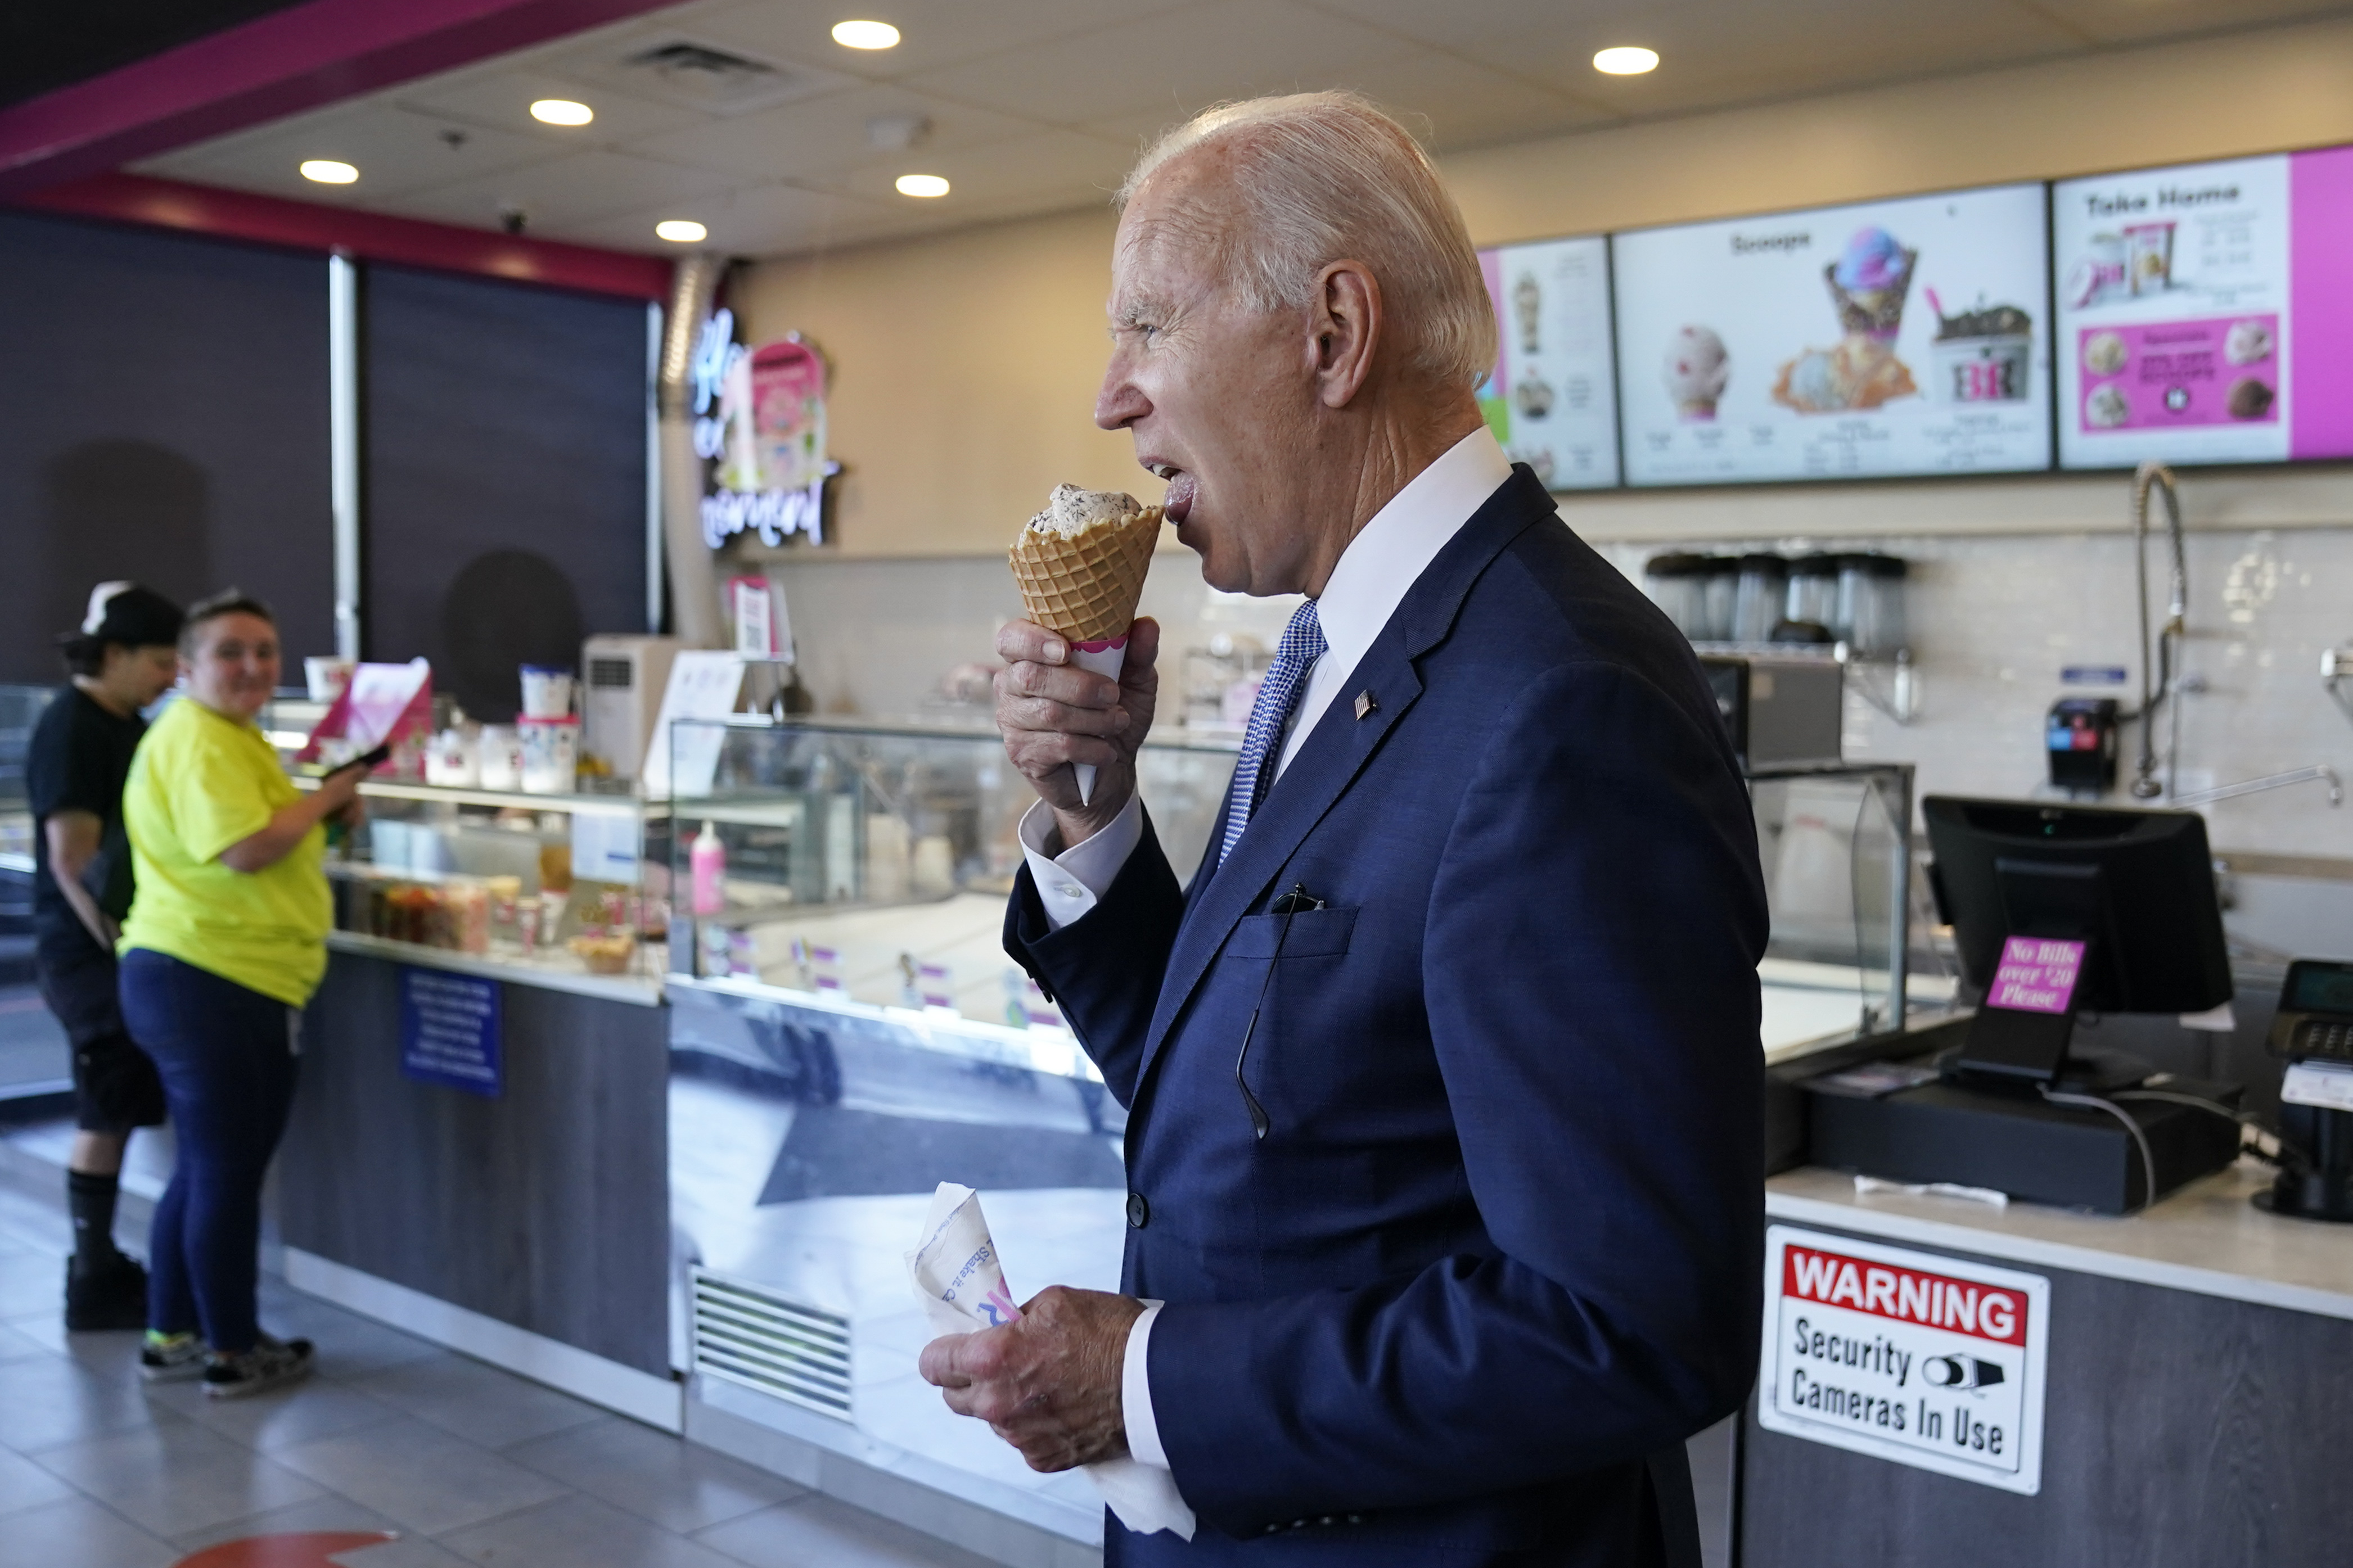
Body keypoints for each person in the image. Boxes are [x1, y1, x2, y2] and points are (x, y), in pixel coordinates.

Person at [923, 93, 1769, 1565]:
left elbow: (1630, 1326)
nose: (1111, 399)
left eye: (1148, 328)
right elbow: (1285, 1098)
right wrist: (1095, 816)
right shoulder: (1343, 649)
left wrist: (1141, 1378)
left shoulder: (1560, 700)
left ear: (1332, 334)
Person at [118, 590, 362, 1398]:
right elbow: (246, 849)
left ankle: (172, 1331)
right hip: (211, 979)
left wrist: (323, 816)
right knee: (227, 1169)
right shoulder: (198, 738)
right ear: (185, 667)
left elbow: (266, 833)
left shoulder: (225, 735)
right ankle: (231, 1349)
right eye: (231, 652)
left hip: (206, 973)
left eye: (265, 650)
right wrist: (327, 797)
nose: (253, 666)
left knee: (202, 1166)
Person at [28, 583, 183, 1330]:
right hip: (88, 952)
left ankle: (104, 1267)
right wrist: (125, 947)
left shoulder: (129, 725)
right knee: (106, 1103)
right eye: (160, 660)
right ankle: (92, 1275)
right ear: (114, 654)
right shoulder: (73, 728)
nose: (171, 675)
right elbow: (73, 860)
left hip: (125, 942)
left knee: (119, 1103)